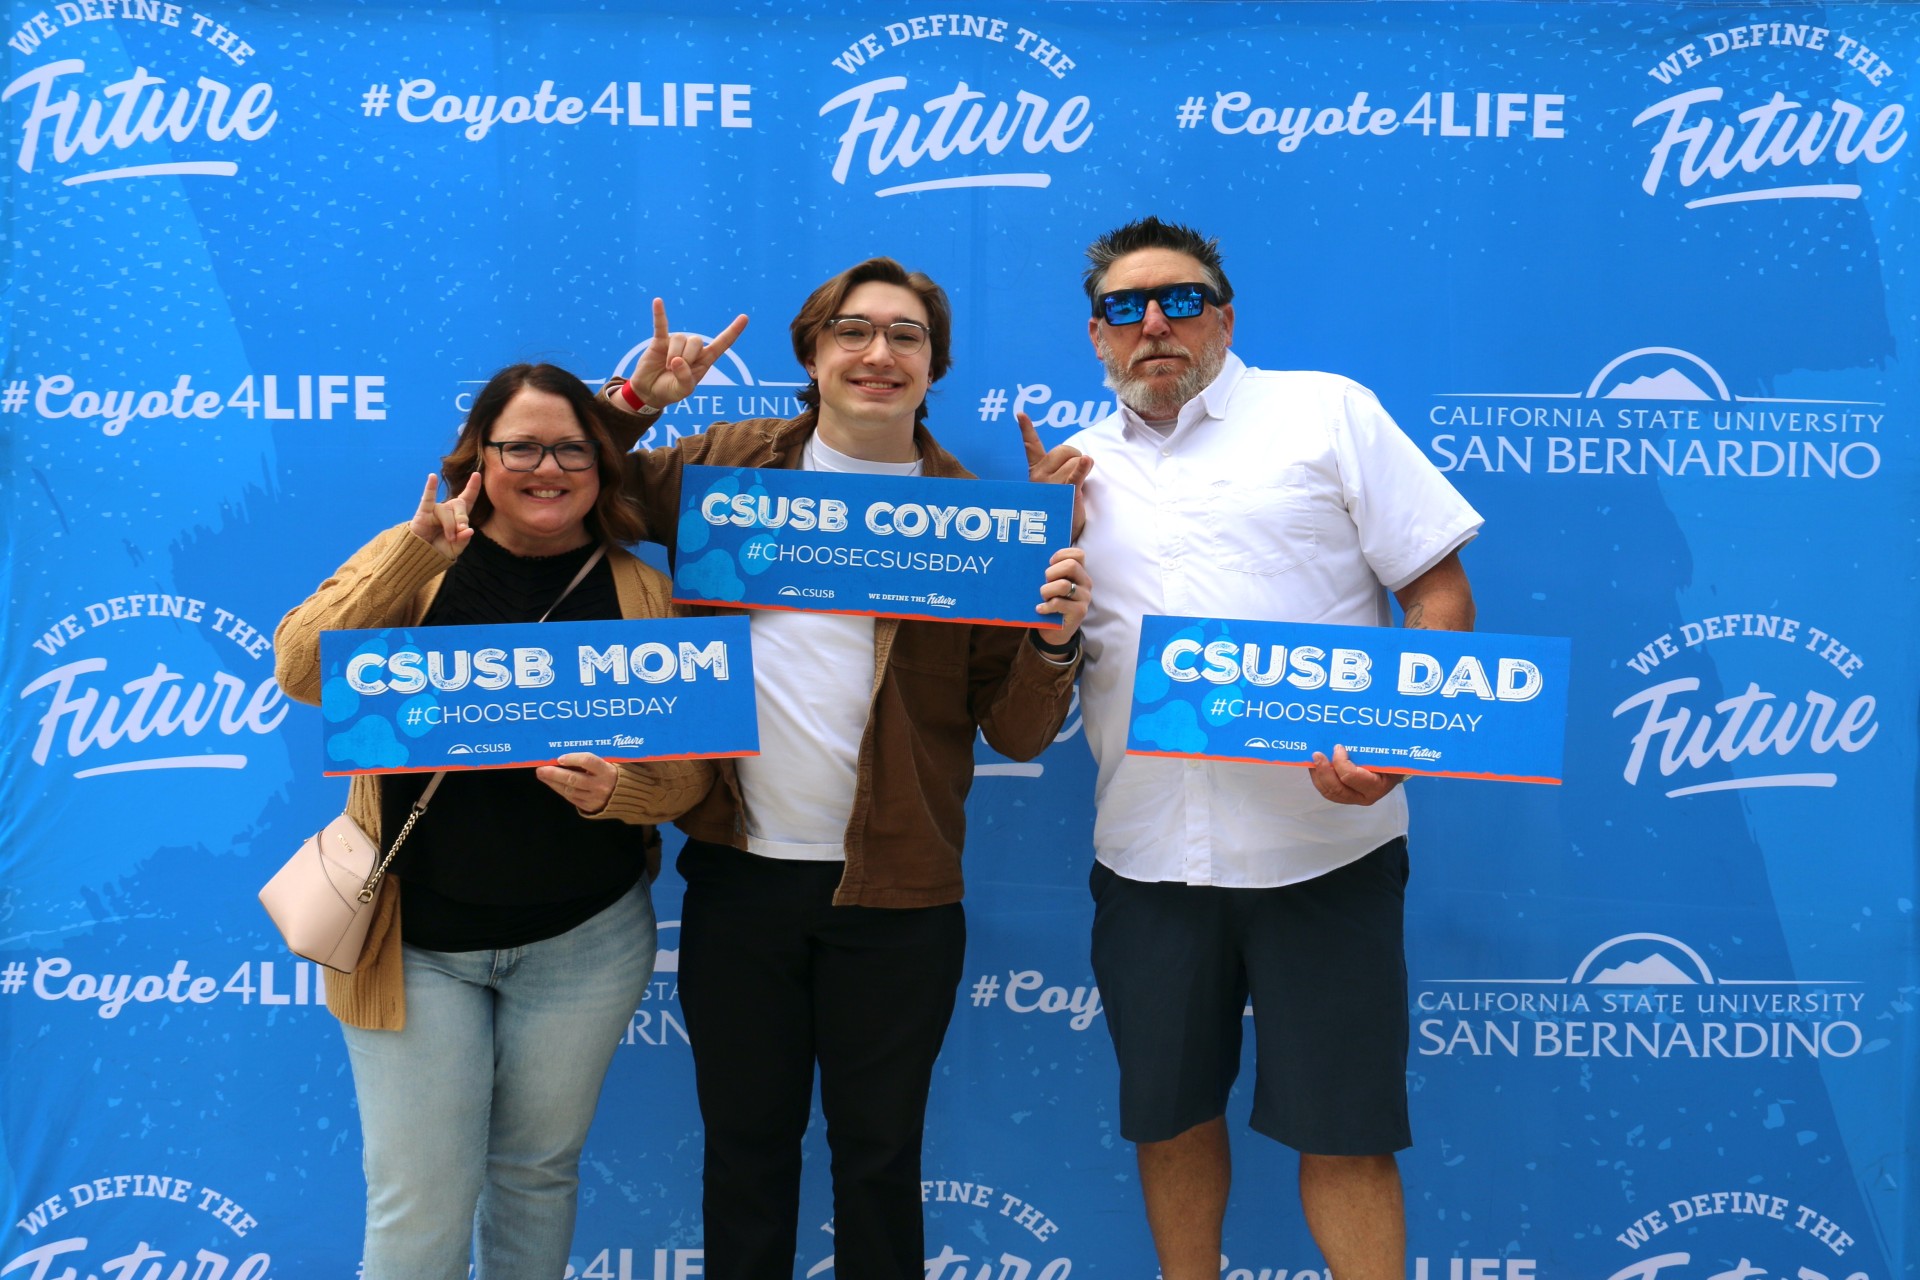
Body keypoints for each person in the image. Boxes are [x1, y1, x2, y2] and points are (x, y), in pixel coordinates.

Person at [600, 257, 1091, 1280]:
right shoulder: (729, 467)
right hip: (742, 879)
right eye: (853, 331)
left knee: (879, 1159)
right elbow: (565, 483)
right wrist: (637, 401)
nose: (879, 353)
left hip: (900, 896)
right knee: (746, 1152)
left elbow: (1017, 733)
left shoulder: (979, 518)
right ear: (813, 353)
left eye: (906, 335)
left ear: (935, 365)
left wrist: (1054, 638)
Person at [1025, 217, 1482, 1280]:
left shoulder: (1326, 411)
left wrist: (1394, 735)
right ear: (1095, 335)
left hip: (1325, 843)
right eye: (1125, 308)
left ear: (1224, 317)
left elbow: (1437, 586)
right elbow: (1047, 664)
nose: (1154, 324)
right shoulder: (1071, 475)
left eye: (1181, 300)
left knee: (1346, 1127)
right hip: (1145, 853)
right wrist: (1037, 570)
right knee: (1170, 1118)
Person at [273, 355, 735, 1280]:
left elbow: (692, 773)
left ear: (602, 466)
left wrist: (625, 794)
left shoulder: (639, 587)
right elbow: (301, 670)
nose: (547, 468)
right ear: (477, 456)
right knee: (420, 1199)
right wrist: (414, 551)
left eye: (570, 449)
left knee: (536, 1177)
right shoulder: (417, 557)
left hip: (585, 942)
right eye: (520, 446)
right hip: (414, 942)